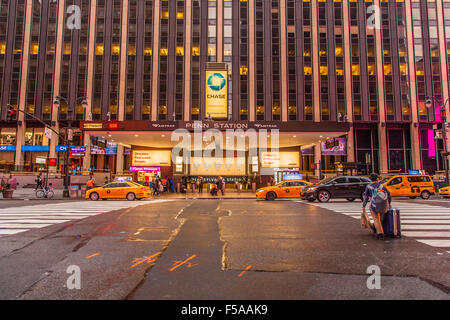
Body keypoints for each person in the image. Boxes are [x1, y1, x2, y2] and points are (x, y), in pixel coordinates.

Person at [362, 173, 392, 240]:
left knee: (376, 219)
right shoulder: (381, 186)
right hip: (383, 205)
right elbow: (389, 195)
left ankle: (380, 234)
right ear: (377, 179)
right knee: (380, 219)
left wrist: (364, 206)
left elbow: (366, 197)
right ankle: (378, 229)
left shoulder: (368, 187)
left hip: (374, 205)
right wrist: (389, 204)